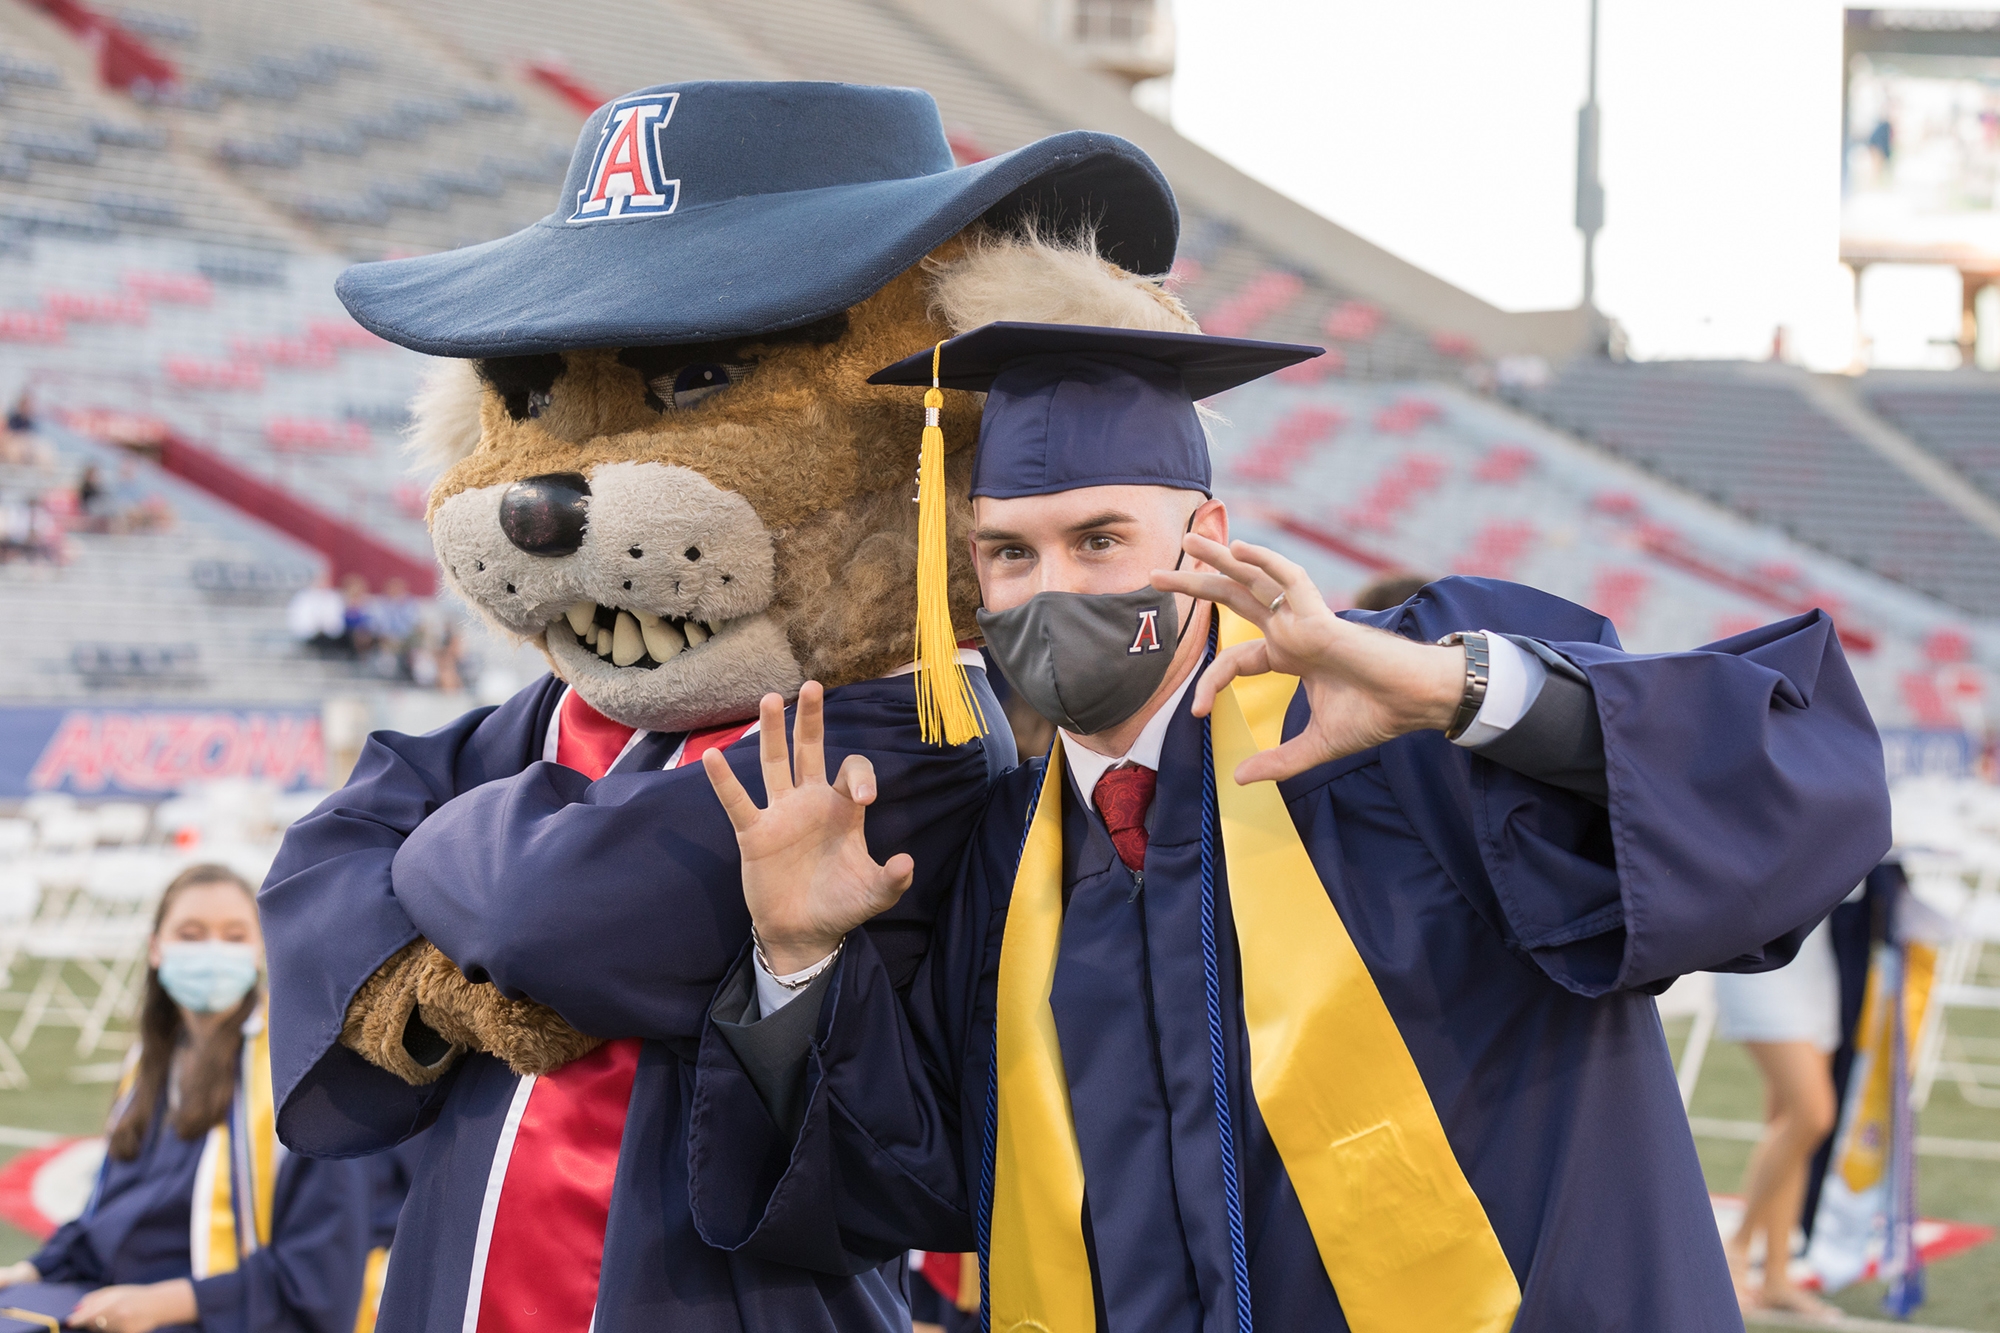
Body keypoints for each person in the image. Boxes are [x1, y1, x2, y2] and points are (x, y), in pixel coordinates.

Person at [686, 323, 1893, 1332]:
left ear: (1203, 537)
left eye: (1099, 540)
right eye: (1009, 553)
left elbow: (1792, 807)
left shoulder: (1397, 738)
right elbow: (912, 1190)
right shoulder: (1004, 858)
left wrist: (1460, 696)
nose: (1052, 589)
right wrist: (798, 961)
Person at [0, 865, 373, 1333]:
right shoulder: (150, 1066)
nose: (212, 951)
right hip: (109, 1304)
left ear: (261, 950)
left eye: (234, 936)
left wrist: (166, 1304)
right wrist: (28, 1272)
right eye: (191, 935)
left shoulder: (305, 1083)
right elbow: (112, 1219)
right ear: (157, 948)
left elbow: (321, 1279)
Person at [1714, 915, 1844, 1317]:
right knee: (1813, 1116)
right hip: (1758, 950)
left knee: (1790, 1125)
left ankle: (1776, 1278)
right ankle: (1736, 1247)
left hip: (1814, 958)